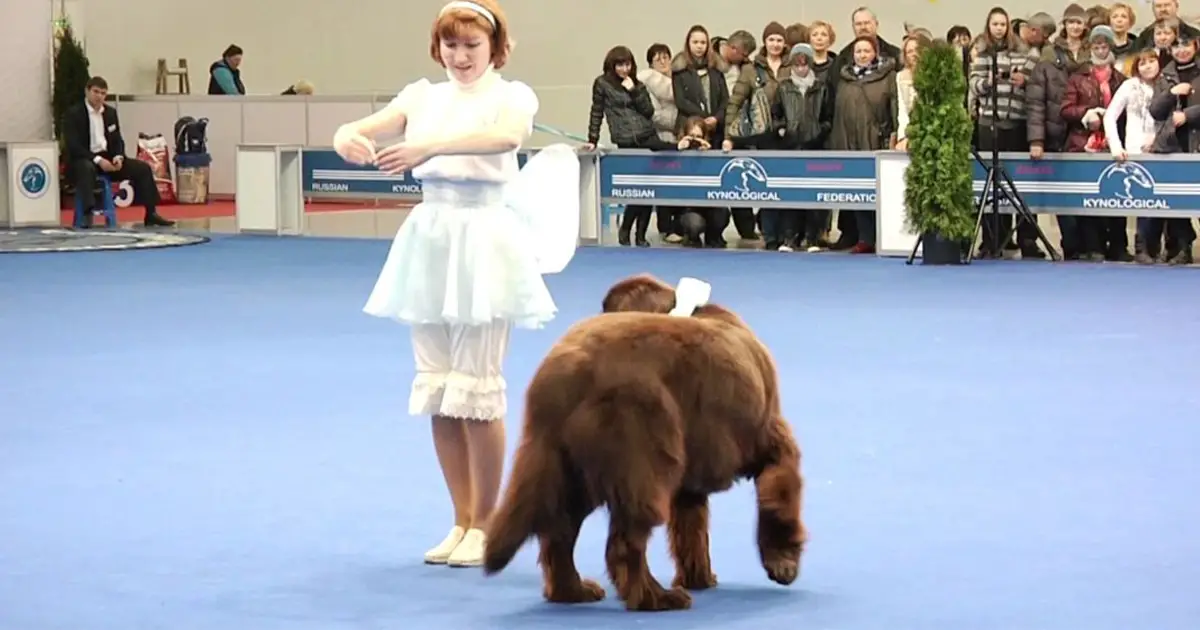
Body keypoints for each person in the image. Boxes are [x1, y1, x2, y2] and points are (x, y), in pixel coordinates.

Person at [331, 0, 576, 568]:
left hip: (485, 237)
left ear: (495, 49)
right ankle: (461, 518)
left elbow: (506, 139)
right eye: (451, 45)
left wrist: (430, 147)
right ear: (437, 47)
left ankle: (491, 523)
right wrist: (348, 134)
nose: (460, 56)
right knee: (440, 388)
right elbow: (365, 126)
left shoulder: (512, 95)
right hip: (431, 237)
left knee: (478, 390)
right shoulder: (421, 95)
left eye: (472, 45)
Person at [63, 76, 175, 228]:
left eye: (103, 93)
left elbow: (117, 140)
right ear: (87, 91)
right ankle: (86, 213)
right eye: (96, 92)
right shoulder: (73, 114)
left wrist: (118, 157)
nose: (99, 96)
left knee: (143, 169)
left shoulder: (110, 113)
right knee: (86, 168)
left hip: (107, 157)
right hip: (83, 159)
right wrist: (97, 160)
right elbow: (74, 146)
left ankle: (151, 213)